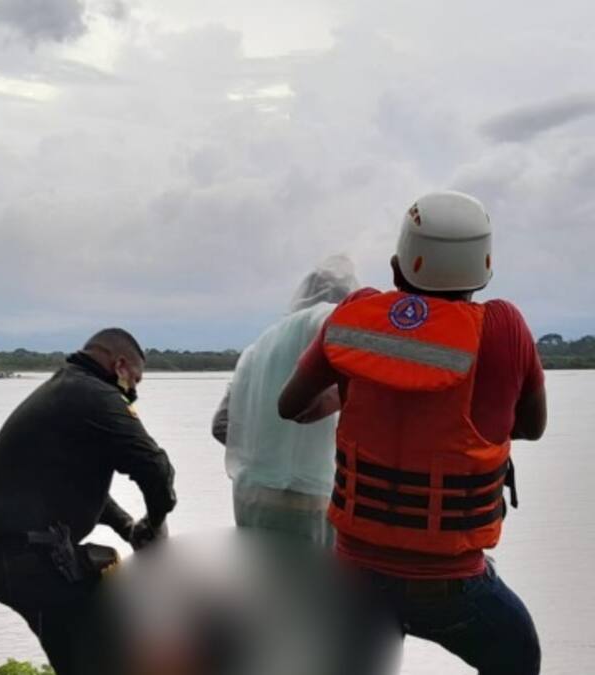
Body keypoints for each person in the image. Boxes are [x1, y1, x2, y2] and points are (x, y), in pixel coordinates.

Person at [278, 191, 548, 675]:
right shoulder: (504, 328)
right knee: (520, 654)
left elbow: (291, 406)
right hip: (451, 585)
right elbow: (532, 427)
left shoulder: (354, 315)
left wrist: (353, 388)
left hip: (354, 574)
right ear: (485, 269)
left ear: (397, 267)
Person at [0, 328, 177, 675]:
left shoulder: (71, 389)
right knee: (98, 632)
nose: (135, 391)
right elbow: (156, 469)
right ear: (120, 365)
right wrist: (155, 522)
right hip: (12, 550)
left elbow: (74, 485)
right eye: (135, 380)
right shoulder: (94, 395)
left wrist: (128, 527)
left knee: (78, 638)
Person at [210, 255, 359, 544]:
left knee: (261, 582)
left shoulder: (258, 349)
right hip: (314, 497)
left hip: (252, 496)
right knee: (314, 585)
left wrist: (266, 452)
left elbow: (221, 425)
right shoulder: (331, 322)